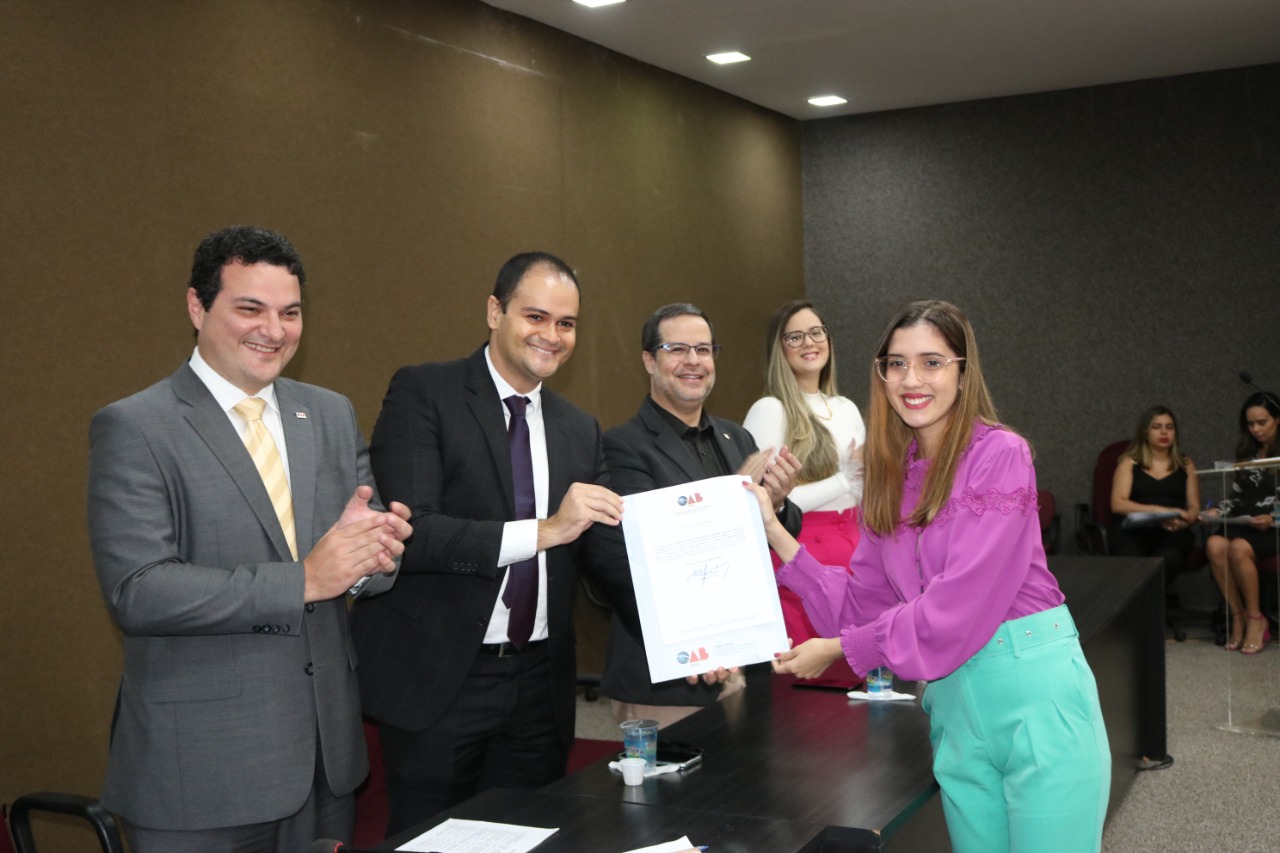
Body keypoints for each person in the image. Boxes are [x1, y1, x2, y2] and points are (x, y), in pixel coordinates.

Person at [87, 226, 412, 852]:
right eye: (250, 308)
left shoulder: (330, 413)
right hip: (200, 775)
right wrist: (306, 580)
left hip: (324, 764)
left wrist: (374, 555)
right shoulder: (136, 427)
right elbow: (139, 591)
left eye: (290, 313)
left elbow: (358, 565)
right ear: (197, 307)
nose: (274, 330)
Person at [760, 299, 1110, 852]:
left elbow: (958, 606)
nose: (911, 380)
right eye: (896, 364)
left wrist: (842, 648)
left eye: (931, 362)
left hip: (1034, 693)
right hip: (951, 706)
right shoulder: (889, 478)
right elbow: (859, 607)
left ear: (963, 372)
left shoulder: (1002, 454)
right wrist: (775, 533)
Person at [350, 252, 639, 834]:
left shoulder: (579, 428)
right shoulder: (424, 392)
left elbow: (608, 551)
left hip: (540, 686)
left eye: (566, 323)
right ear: (494, 311)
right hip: (442, 679)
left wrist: (691, 634)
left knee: (528, 838)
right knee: (429, 843)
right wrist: (545, 531)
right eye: (535, 316)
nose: (551, 335)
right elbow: (412, 533)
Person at [593, 303, 802, 728]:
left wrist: (776, 502)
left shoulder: (736, 436)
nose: (694, 361)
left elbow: (782, 531)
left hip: (749, 661)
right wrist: (741, 504)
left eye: (704, 350)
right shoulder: (620, 447)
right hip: (674, 675)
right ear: (649, 360)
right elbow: (630, 563)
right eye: (677, 349)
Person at [743, 300, 865, 688]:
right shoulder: (769, 409)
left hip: (856, 554)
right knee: (807, 693)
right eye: (794, 337)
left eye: (816, 332)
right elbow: (764, 505)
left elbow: (863, 490)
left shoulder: (846, 407)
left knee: (859, 686)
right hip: (799, 559)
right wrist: (844, 481)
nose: (809, 343)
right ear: (779, 348)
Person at [1204, 391, 1280, 654]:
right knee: (1215, 544)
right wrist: (1217, 511)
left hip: (1274, 528)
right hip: (1248, 523)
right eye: (1250, 424)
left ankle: (1256, 618)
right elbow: (1237, 496)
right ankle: (1237, 615)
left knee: (1238, 547)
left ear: (1277, 419)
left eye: (1262, 422)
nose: (1256, 429)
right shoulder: (1249, 452)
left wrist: (1274, 518)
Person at [1109, 406, 1200, 592]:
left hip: (1172, 532)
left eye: (1169, 427)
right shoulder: (1129, 462)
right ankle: (1145, 605)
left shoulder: (1186, 463)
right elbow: (1117, 504)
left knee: (1169, 559)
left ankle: (1145, 604)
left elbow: (1194, 507)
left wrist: (1184, 522)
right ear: (1145, 432)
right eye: (1157, 427)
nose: (1164, 432)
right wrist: (1160, 510)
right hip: (1133, 530)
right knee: (1131, 563)